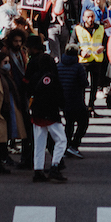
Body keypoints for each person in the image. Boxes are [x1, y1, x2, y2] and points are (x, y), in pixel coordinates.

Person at [24, 34, 68, 182]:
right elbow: (58, 89)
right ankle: (55, 166)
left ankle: (38, 169)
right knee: (61, 140)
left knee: (39, 141)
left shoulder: (32, 66)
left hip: (36, 108)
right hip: (50, 109)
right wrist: (63, 106)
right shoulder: (50, 72)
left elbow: (27, 86)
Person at [56, 44, 90, 158]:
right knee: (83, 123)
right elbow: (84, 83)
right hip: (76, 99)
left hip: (63, 101)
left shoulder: (59, 66)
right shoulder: (78, 67)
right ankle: (74, 145)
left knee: (69, 124)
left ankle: (66, 146)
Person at [73, 8, 107, 114]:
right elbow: (71, 44)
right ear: (83, 18)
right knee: (82, 85)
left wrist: (103, 48)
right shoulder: (78, 29)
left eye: (92, 16)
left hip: (97, 60)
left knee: (94, 86)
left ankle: (91, 106)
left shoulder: (100, 28)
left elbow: (106, 42)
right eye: (88, 16)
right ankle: (82, 106)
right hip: (84, 60)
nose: (90, 19)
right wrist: (80, 52)